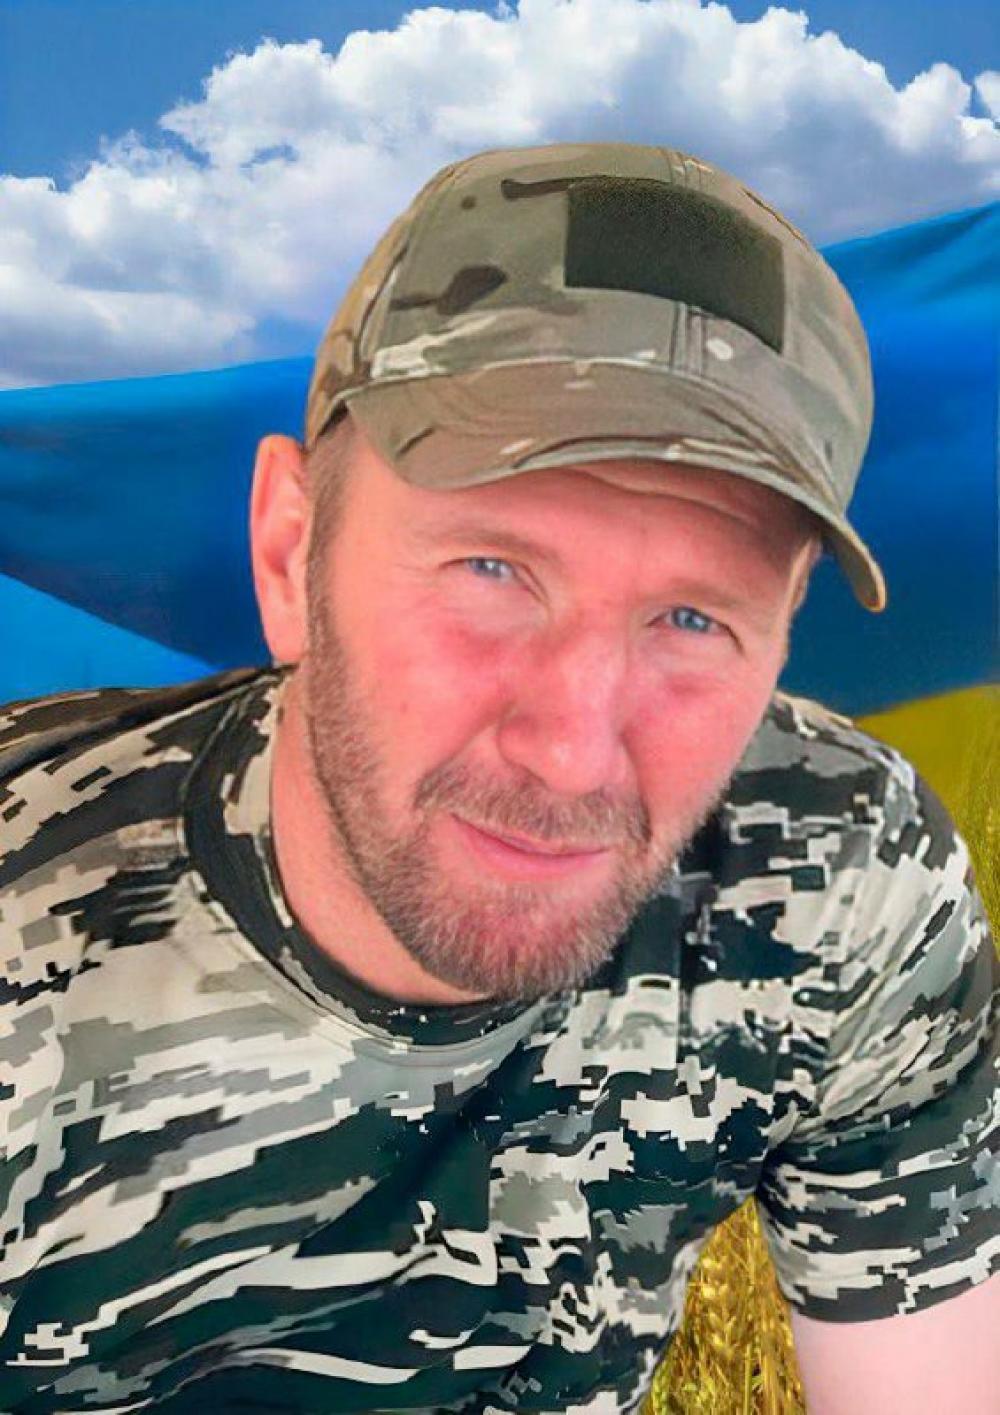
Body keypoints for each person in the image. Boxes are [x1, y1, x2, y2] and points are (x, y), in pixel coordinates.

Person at [0, 143, 996, 1415]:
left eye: (694, 617)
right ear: (289, 553)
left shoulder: (838, 873)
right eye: (490, 571)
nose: (573, 748)